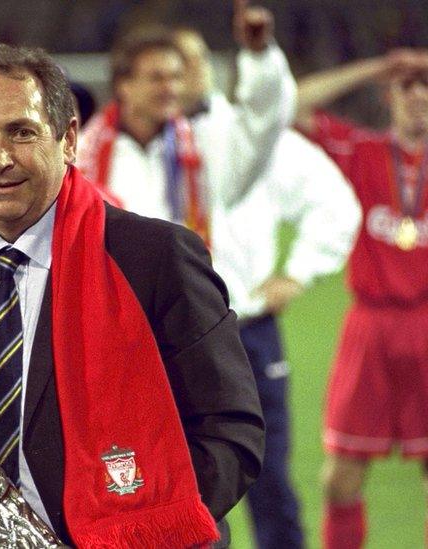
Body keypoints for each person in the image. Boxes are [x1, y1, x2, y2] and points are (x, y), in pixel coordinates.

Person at [0, 43, 264, 548]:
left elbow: (232, 429)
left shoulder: (156, 258)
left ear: (68, 139)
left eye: (22, 133)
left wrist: (146, 529)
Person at [171, 28, 362, 549]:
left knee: (267, 474)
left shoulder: (249, 134)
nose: (177, 75)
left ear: (208, 67)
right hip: (168, 336)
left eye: (188, 61)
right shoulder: (136, 143)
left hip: (246, 328)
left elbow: (335, 203)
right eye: (167, 64)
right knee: (170, 474)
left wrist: (298, 271)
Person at [296, 49, 428, 549]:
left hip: (427, 323)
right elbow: (295, 106)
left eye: (426, 85)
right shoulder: (362, 152)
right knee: (340, 479)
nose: (418, 96)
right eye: (406, 85)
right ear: (389, 96)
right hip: (370, 326)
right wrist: (376, 66)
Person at [75, 1, 296, 244]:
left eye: (176, 77)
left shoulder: (204, 146)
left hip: (184, 279)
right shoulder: (82, 153)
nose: (169, 88)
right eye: (156, 78)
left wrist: (259, 55)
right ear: (123, 85)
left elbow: (261, 125)